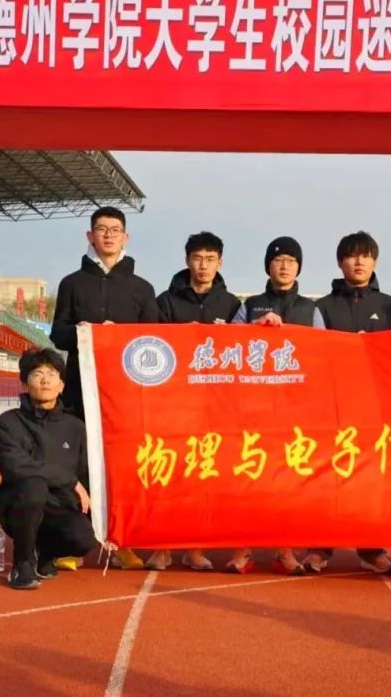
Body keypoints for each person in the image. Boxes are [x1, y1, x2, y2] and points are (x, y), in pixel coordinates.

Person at [49, 205, 158, 571]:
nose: (108, 235)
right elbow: (58, 333)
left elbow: (152, 340)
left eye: (115, 229)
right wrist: (86, 332)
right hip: (81, 391)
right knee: (78, 464)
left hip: (126, 395)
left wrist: (119, 337)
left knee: (122, 468)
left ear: (126, 237)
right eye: (101, 229)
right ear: (90, 236)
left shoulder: (142, 289)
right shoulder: (71, 283)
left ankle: (122, 542)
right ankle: (73, 543)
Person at [303, 231, 391, 575]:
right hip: (332, 404)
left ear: (375, 261)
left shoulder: (390, 307)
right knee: (327, 475)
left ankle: (371, 548)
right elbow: (314, 354)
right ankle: (319, 547)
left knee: (371, 477)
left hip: (375, 405)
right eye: (351, 256)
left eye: (365, 256)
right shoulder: (322, 307)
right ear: (340, 262)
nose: (359, 262)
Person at [145, 231, 242, 572]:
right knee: (169, 475)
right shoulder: (165, 301)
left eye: (210, 259)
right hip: (173, 401)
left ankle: (195, 547)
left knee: (205, 477)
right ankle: (162, 547)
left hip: (214, 404)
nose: (203, 265)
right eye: (198, 258)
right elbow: (151, 342)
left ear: (220, 263)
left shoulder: (231, 305)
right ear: (187, 261)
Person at [227, 236, 322, 575]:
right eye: (278, 260)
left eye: (291, 261)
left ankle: (286, 549)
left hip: (294, 409)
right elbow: (228, 346)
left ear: (299, 268)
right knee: (249, 478)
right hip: (252, 408)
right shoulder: (249, 305)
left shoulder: (311, 310)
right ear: (268, 266)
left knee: (288, 482)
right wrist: (253, 329)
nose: (284, 266)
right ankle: (244, 548)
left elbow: (322, 353)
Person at [0, 349, 96, 590]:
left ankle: (45, 552)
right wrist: (68, 480)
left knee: (83, 540)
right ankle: (22, 564)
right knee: (34, 485)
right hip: (19, 503)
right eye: (37, 374)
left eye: (52, 374)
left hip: (60, 504)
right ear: (25, 383)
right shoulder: (8, 423)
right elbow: (14, 466)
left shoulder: (75, 427)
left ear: (61, 385)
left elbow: (84, 473)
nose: (45, 380)